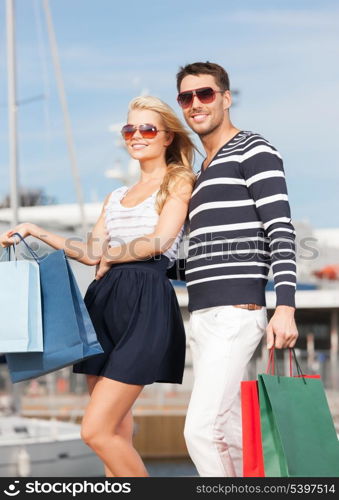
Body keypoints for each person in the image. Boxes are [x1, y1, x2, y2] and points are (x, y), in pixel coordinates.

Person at [0, 95, 196, 477]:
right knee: (117, 430)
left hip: (146, 300)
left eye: (147, 129)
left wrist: (113, 254)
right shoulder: (116, 196)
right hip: (104, 301)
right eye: (130, 129)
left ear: (168, 136)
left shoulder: (179, 180)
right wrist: (37, 232)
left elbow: (159, 240)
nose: (136, 136)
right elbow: (91, 253)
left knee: (95, 430)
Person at [175, 61, 299, 477]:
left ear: (226, 98)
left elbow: (280, 230)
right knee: (226, 430)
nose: (195, 103)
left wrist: (285, 306)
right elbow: (199, 255)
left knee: (201, 432)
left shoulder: (252, 148)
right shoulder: (200, 173)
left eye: (205, 93)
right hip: (203, 316)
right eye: (186, 97)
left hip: (237, 312)